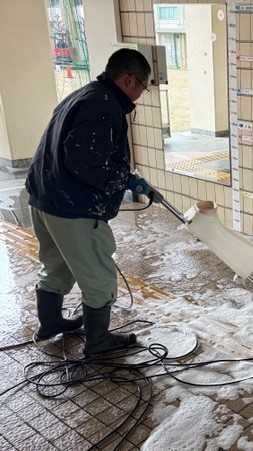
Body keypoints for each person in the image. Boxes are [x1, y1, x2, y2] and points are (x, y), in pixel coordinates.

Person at [25, 48, 154, 356]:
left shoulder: (86, 94)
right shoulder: (104, 106)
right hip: (73, 207)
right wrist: (122, 180)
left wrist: (125, 177)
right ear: (129, 80)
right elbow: (87, 165)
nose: (141, 94)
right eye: (143, 86)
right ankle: (98, 340)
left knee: (56, 263)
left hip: (44, 197)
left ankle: (51, 323)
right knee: (98, 274)